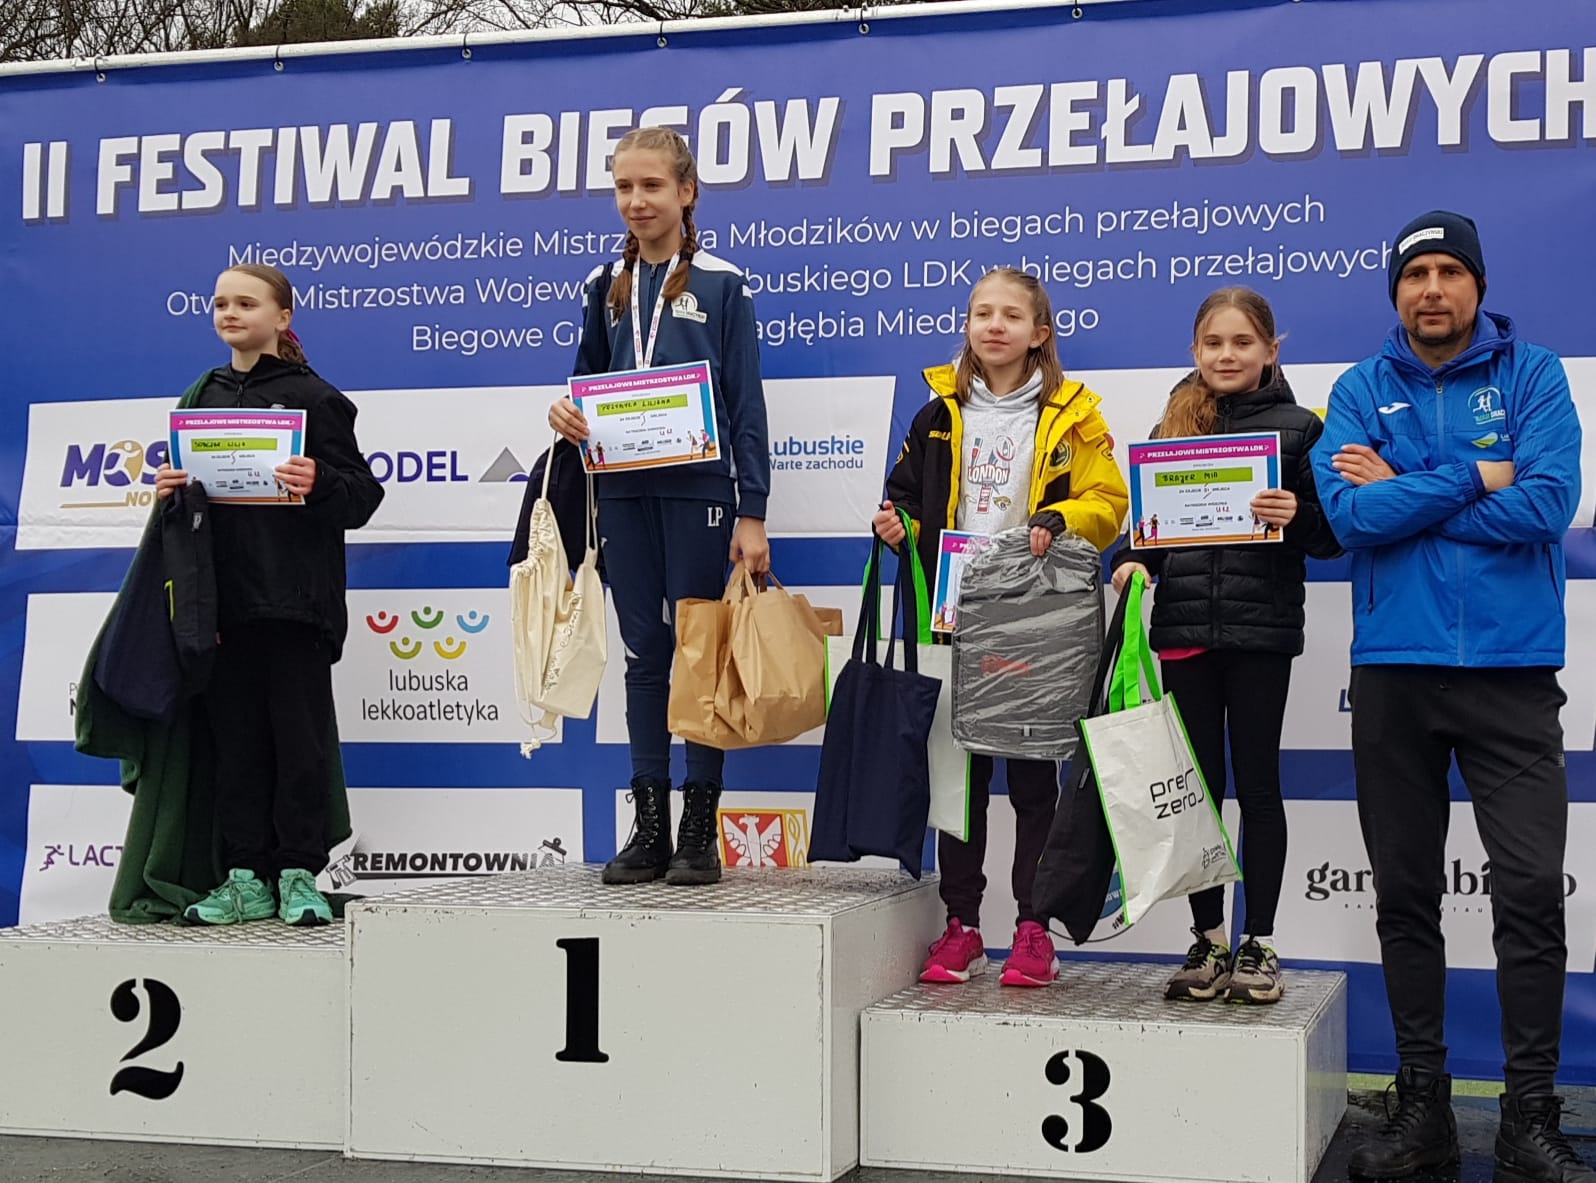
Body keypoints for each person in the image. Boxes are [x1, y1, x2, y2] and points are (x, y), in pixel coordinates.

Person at [1310, 211, 1589, 1183]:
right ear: (1396, 290)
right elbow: (1351, 517)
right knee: (1406, 895)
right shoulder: (1360, 388)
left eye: (1448, 271)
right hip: (1395, 671)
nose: (1432, 288)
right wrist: (1475, 474)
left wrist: (1413, 487)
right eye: (1415, 273)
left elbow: (1547, 503)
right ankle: (1423, 1109)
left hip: (1513, 674)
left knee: (1530, 892)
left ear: (1477, 283)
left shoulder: (1534, 375)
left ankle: (1529, 1116)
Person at [874, 267, 1129, 987]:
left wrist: (1063, 517)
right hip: (952, 615)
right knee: (959, 781)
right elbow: (904, 498)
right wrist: (899, 525)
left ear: (1039, 332)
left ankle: (1032, 927)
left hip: (1034, 621)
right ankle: (962, 925)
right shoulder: (936, 415)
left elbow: (1108, 502)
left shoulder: (1074, 417)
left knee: (1034, 780)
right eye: (981, 312)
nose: (994, 325)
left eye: (1011, 315)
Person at [549, 127, 771, 888]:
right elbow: (585, 379)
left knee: (699, 650)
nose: (636, 201)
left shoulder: (723, 282)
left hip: (699, 491)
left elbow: (745, 402)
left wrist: (752, 510)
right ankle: (648, 826)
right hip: (621, 490)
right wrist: (566, 414)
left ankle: (699, 828)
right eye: (624, 187)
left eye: (651, 186)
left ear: (686, 192)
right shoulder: (602, 282)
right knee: (644, 653)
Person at [1111, 287, 1342, 1005]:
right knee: (1198, 793)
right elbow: (1146, 532)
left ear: (1272, 349)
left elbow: (1333, 536)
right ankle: (1209, 939)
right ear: (1194, 351)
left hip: (1261, 634)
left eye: (1243, 342)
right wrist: (1131, 561)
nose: (1227, 355)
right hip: (1183, 634)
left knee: (1259, 786)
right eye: (1214, 343)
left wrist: (1298, 513)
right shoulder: (1172, 424)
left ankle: (1259, 941)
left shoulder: (1301, 430)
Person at [153, 263, 383, 926]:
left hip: (296, 604)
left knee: (298, 744)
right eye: (220, 302)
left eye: (246, 303)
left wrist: (319, 481)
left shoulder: (316, 398)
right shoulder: (202, 397)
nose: (230, 313)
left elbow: (362, 497)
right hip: (221, 605)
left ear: (282, 318)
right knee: (236, 745)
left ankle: (299, 875)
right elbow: (192, 507)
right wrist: (171, 489)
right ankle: (244, 877)